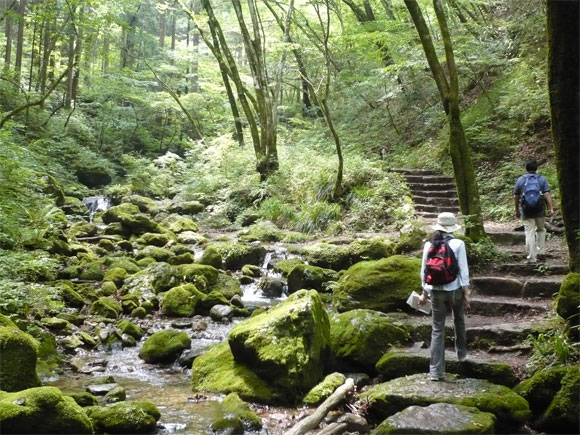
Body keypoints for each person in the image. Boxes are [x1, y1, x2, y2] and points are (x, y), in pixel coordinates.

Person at [418, 212, 470, 381]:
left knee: (437, 329)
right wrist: (466, 294)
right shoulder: (458, 243)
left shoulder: (429, 244)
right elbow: (463, 270)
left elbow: (424, 271)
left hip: (435, 291)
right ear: (452, 227)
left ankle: (435, 371)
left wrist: (424, 292)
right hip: (454, 289)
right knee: (459, 319)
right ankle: (461, 354)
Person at [513, 159, 554, 263]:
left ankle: (531, 257)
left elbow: (516, 196)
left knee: (529, 232)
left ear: (526, 168)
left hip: (526, 210)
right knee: (541, 229)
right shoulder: (541, 179)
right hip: (539, 209)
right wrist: (551, 207)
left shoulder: (521, 180)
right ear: (536, 168)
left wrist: (517, 209)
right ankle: (541, 253)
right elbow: (546, 194)